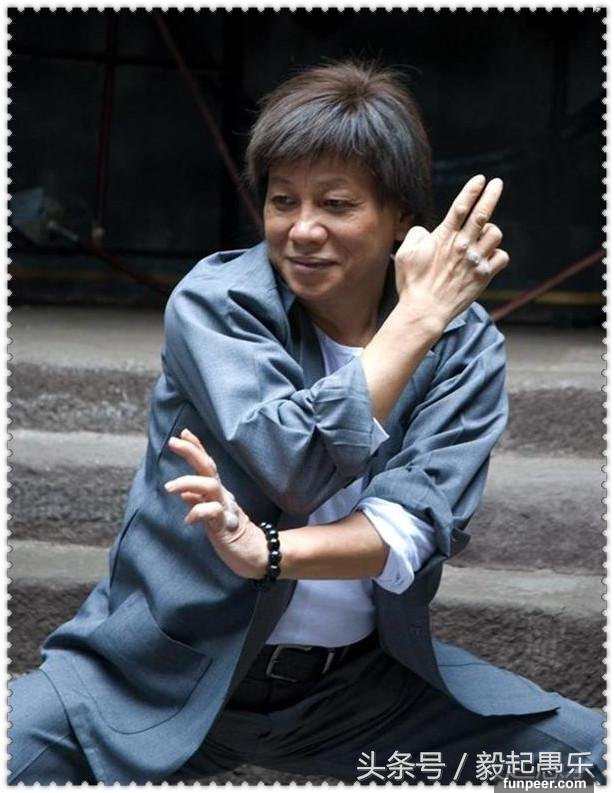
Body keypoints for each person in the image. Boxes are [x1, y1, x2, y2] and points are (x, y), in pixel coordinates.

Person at [9, 60, 604, 785]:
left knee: (587, 759)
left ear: (400, 220)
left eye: (336, 203)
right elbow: (292, 461)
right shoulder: (220, 301)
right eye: (282, 200)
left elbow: (410, 527)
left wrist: (268, 551)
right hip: (149, 675)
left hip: (359, 693)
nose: (302, 229)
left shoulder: (463, 345)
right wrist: (416, 317)